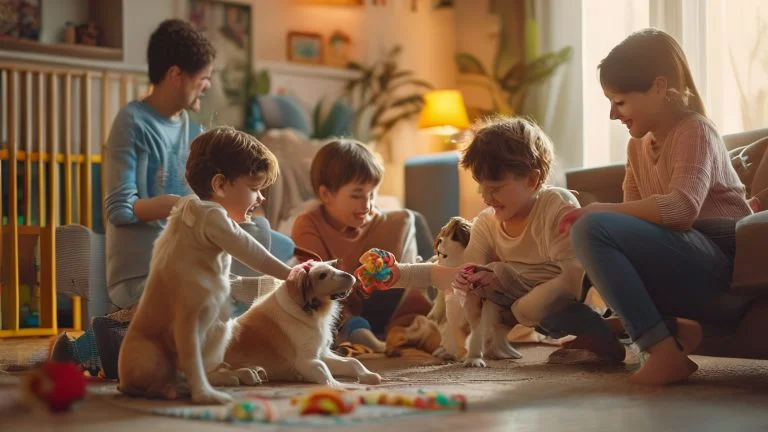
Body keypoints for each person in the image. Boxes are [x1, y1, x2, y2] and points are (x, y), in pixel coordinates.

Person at [51, 19, 293, 375]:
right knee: (259, 248)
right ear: (176, 74)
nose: (207, 86)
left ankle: (228, 347)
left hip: (189, 254)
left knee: (276, 242)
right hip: (146, 267)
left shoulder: (188, 128)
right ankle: (103, 342)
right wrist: (179, 206)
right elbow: (120, 209)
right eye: (203, 78)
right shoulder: (132, 122)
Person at [559, 28, 754, 385]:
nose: (612, 115)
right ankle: (665, 331)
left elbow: (682, 209)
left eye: (620, 102)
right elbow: (634, 223)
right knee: (590, 232)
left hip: (723, 266)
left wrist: (599, 210)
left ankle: (662, 350)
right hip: (683, 259)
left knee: (593, 225)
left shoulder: (695, 131)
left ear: (660, 88)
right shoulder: (637, 148)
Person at [358, 117, 623, 364]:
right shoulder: (487, 222)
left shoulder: (555, 206)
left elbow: (572, 280)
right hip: (520, 299)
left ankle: (602, 335)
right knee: (478, 282)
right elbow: (456, 275)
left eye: (495, 189)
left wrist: (522, 308)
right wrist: (397, 274)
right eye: (481, 187)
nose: (486, 197)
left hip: (568, 295)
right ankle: (596, 331)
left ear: (532, 180)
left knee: (523, 303)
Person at [291, 139, 431, 352]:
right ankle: (363, 334)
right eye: (356, 195)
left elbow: (415, 275)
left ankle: (416, 326)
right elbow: (319, 289)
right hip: (343, 313)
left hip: (392, 302)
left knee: (414, 220)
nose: (366, 205)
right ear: (325, 195)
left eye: (372, 194)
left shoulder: (393, 223)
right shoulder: (308, 225)